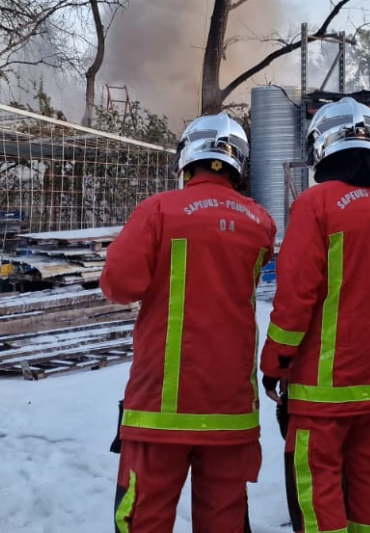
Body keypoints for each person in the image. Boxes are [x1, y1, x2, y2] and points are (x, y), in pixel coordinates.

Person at [259, 97, 370, 533]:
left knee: (317, 496)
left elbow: (296, 295)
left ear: (321, 146)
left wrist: (275, 363)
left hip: (321, 394)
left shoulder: (315, 204)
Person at [101, 113, 276, 533]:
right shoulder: (260, 223)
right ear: (239, 162)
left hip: (161, 409)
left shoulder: (158, 210)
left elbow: (119, 285)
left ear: (187, 158)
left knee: (144, 518)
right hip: (231, 409)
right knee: (224, 521)